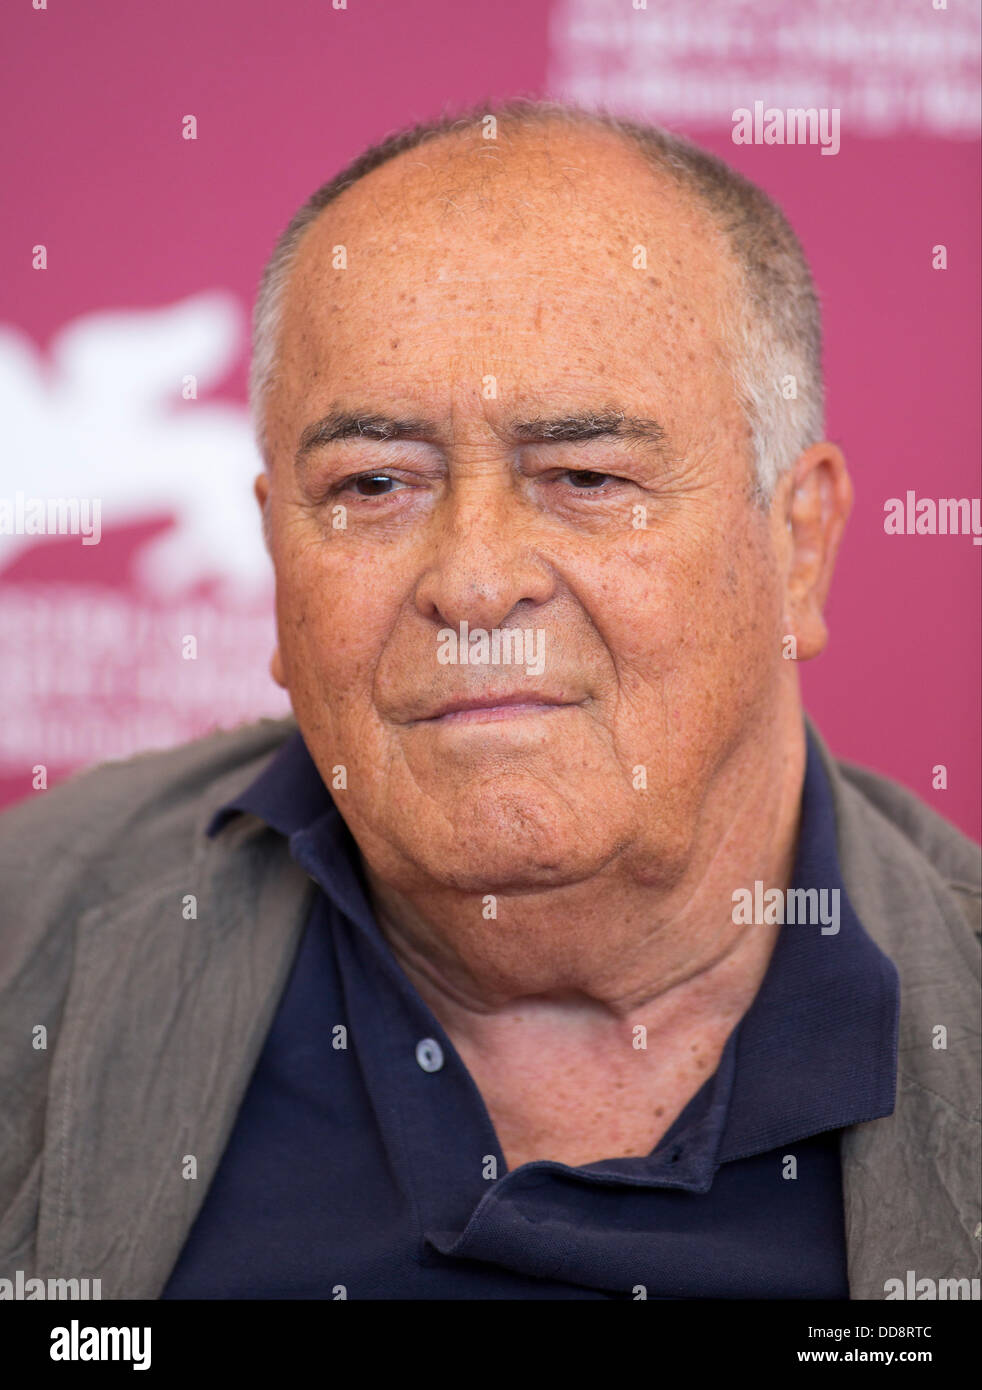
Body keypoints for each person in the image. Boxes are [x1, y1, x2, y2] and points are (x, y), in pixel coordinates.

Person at [1, 100, 978, 1301]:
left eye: (584, 475)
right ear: (273, 558)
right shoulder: (23, 934)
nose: (471, 579)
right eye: (371, 483)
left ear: (798, 545)